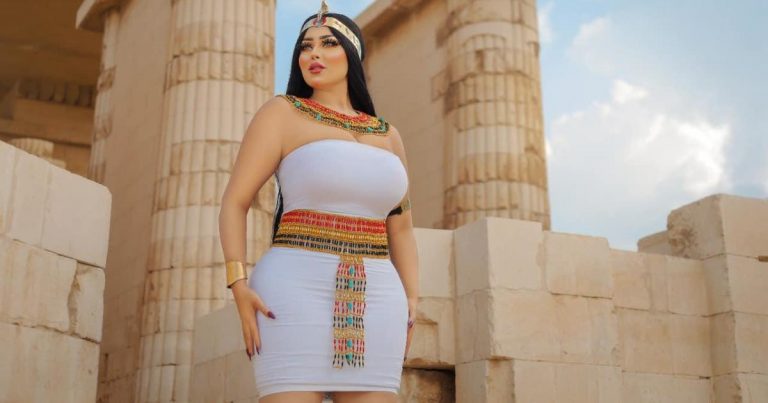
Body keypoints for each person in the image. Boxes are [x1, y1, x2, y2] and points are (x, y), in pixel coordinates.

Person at [217, 1, 420, 402]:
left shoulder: (389, 135)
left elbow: (401, 229)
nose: (313, 53)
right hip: (292, 291)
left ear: (353, 55)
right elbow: (234, 203)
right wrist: (238, 284)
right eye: (305, 46)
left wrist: (412, 299)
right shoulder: (282, 113)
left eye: (328, 43)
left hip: (380, 299)